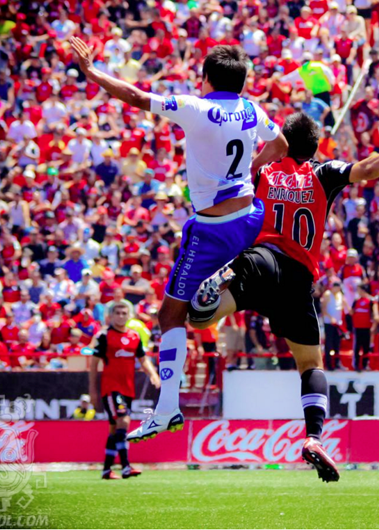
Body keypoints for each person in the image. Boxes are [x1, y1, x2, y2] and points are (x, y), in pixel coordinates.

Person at [188, 113, 379, 482]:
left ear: (283, 144)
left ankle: (212, 291)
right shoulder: (323, 174)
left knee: (201, 320)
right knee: (311, 364)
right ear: (315, 147)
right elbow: (370, 168)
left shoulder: (263, 173)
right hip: (298, 280)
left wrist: (264, 155)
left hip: (261, 261)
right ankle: (314, 437)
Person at [68, 38, 289, 443]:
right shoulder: (251, 109)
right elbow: (281, 146)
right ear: (241, 83)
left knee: (170, 317)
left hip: (213, 228)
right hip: (251, 215)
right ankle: (227, 283)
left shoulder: (195, 107)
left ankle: (167, 407)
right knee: (219, 296)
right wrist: (254, 168)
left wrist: (91, 71)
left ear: (206, 79)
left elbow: (136, 96)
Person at [89, 302, 160, 480]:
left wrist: (153, 375)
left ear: (129, 316)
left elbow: (143, 359)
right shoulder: (104, 336)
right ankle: (126, 466)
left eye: (124, 313)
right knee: (124, 420)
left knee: (115, 428)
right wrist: (93, 389)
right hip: (111, 388)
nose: (121, 316)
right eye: (118, 313)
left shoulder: (134, 336)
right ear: (111, 316)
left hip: (128, 388)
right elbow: (94, 363)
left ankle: (106, 470)